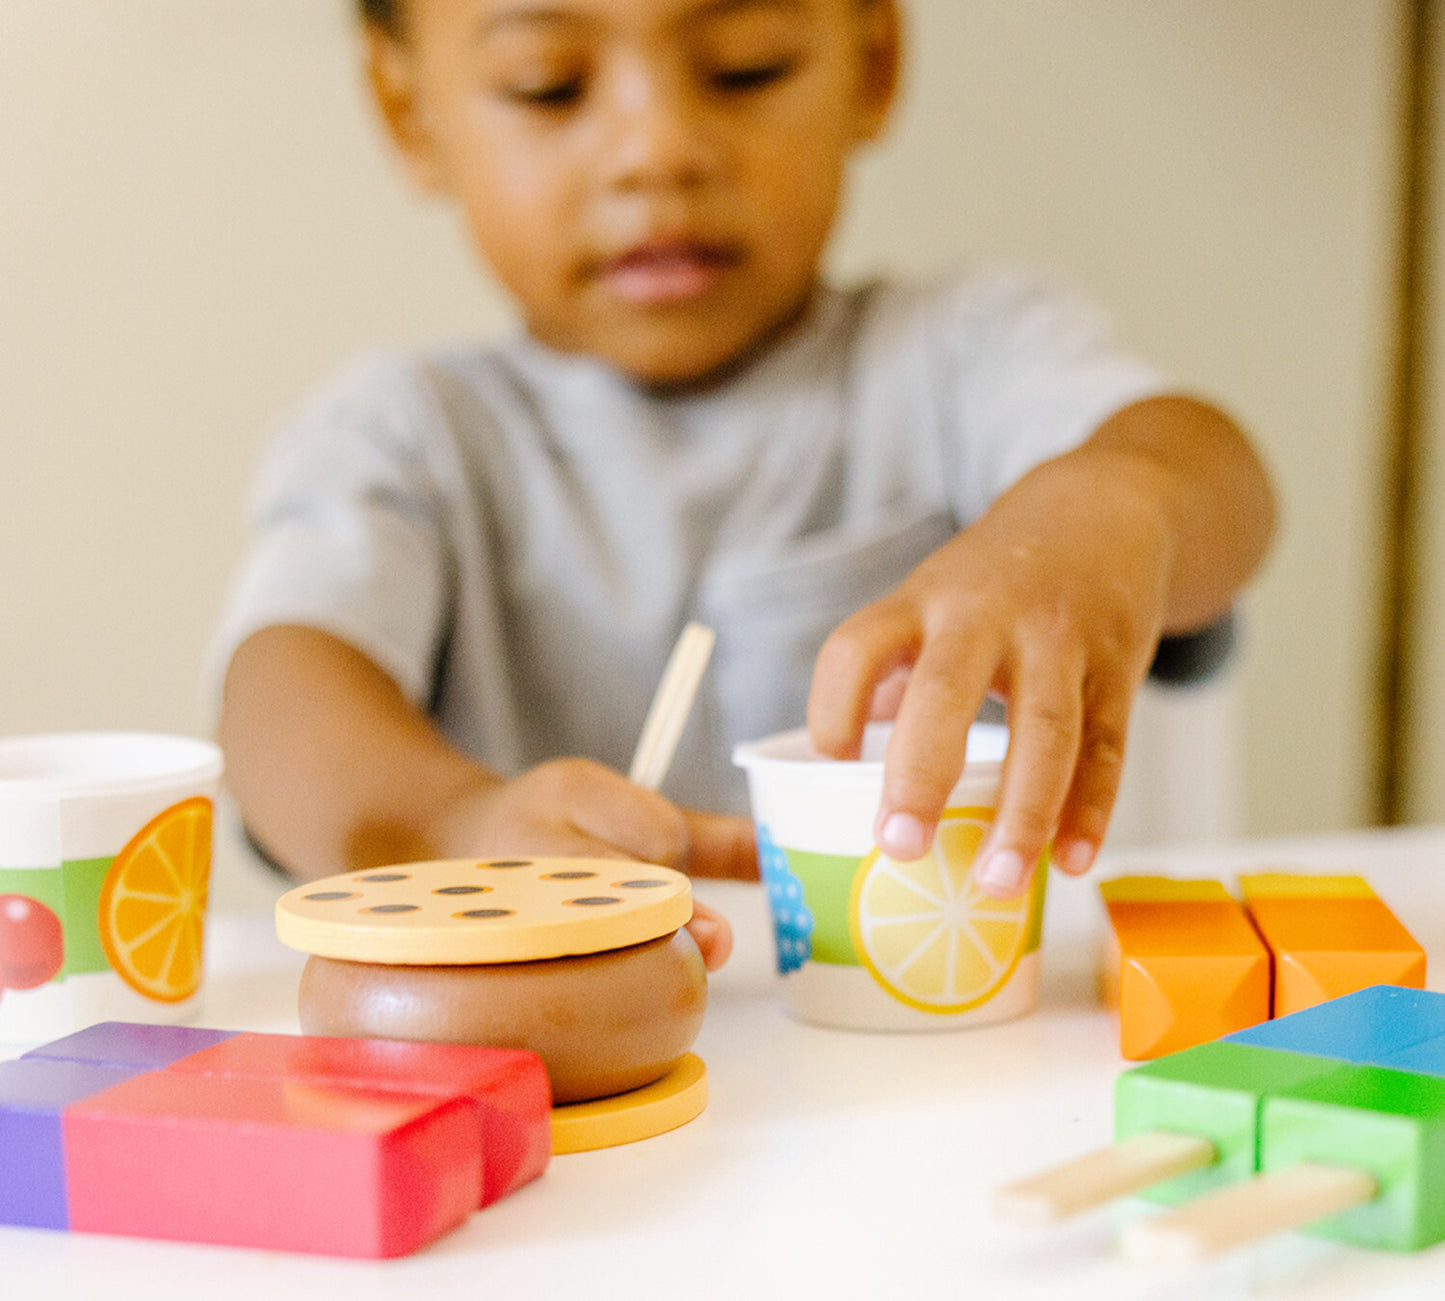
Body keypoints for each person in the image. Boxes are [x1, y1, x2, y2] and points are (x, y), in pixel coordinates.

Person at [211, 0, 1275, 973]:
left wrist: (1102, 510)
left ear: (871, 59)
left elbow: (1209, 473)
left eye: (743, 68)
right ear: (409, 113)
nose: (658, 151)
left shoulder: (963, 354)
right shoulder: (404, 432)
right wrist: (452, 828)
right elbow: (280, 695)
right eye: (549, 86)